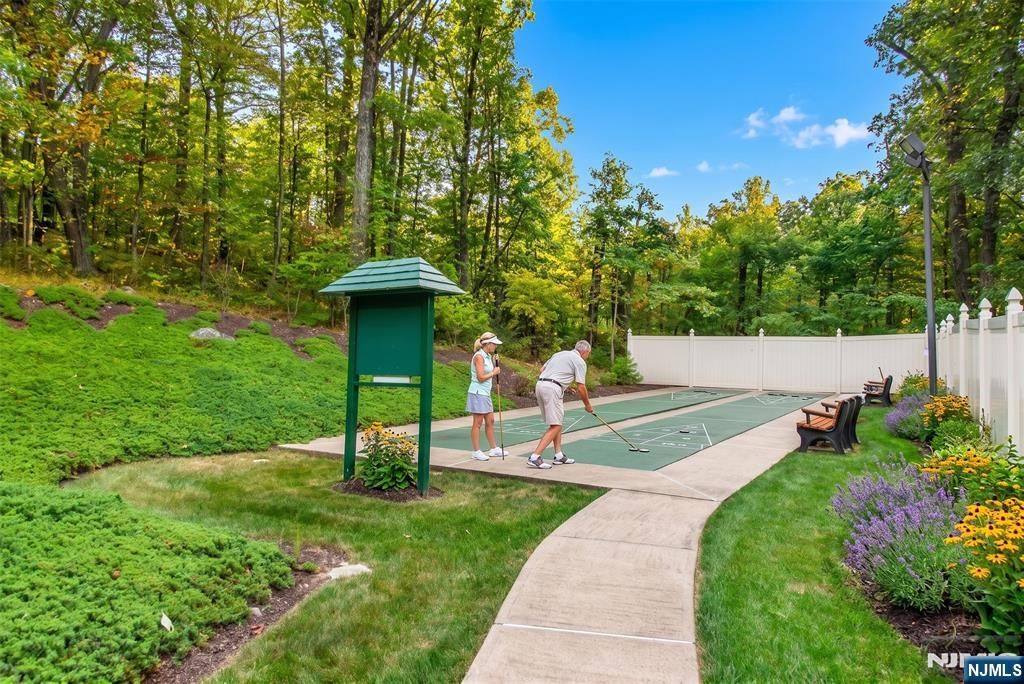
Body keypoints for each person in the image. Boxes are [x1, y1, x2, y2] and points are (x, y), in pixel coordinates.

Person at [528, 340, 593, 469]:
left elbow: (542, 369)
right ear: (585, 351)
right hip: (552, 388)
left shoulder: (559, 354)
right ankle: (535, 457)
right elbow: (581, 387)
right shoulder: (580, 361)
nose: (588, 356)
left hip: (540, 385)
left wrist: (561, 380)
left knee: (556, 422)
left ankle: (558, 455)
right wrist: (587, 405)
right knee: (556, 425)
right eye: (588, 353)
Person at [466, 332, 509, 461]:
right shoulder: (479, 356)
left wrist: (495, 364)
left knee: (490, 421)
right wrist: (494, 372)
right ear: (488, 344)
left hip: (485, 393)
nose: (496, 346)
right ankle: (476, 451)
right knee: (478, 423)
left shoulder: (488, 356)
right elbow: (480, 377)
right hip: (478, 392)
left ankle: (493, 449)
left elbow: (488, 372)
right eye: (494, 344)